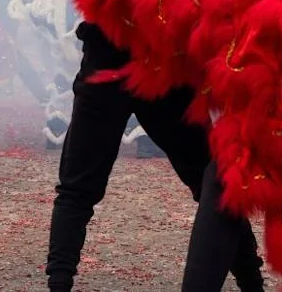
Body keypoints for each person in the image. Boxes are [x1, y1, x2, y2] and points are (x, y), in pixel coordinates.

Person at [46, 22, 264, 292]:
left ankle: (253, 284)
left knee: (216, 183)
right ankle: (253, 284)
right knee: (214, 182)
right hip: (148, 57)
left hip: (154, 62)